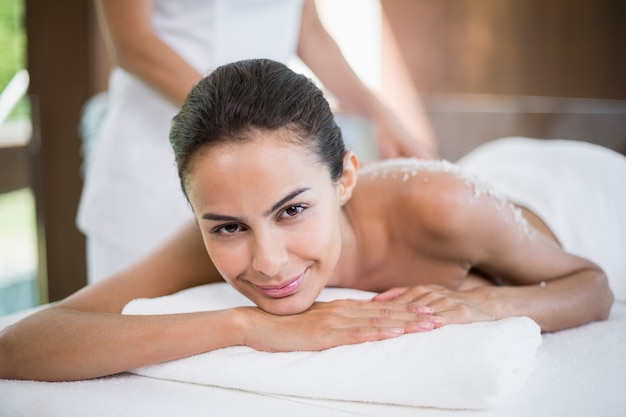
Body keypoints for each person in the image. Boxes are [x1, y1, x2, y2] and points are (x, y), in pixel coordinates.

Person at [0, 59, 620, 383]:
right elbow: (22, 342)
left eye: (292, 210)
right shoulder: (218, 234)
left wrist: (485, 307)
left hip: (562, 188)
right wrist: (243, 325)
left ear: (345, 177)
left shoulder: (441, 206)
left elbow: (592, 286)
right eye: (226, 227)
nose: (266, 260)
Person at [78, 0, 437, 284]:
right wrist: (240, 121)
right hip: (154, 161)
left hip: (266, 161)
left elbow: (309, 30)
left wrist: (380, 116)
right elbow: (133, 42)